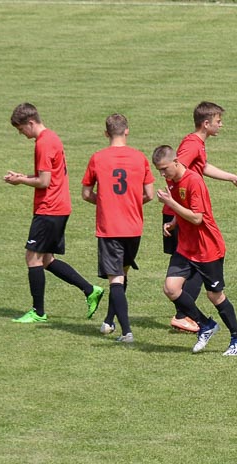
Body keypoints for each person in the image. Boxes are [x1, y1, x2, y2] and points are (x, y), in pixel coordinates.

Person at [5, 103, 103, 323]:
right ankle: (90, 290)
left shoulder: (44, 143)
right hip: (58, 206)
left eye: (21, 129)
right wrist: (23, 175)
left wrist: (20, 181)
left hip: (49, 208)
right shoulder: (51, 138)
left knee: (32, 257)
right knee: (46, 259)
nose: (22, 134)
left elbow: (44, 181)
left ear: (30, 123)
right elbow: (48, 173)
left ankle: (38, 312)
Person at [163, 102, 237, 333]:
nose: (220, 125)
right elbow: (174, 172)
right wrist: (174, 212)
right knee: (196, 264)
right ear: (206, 123)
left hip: (184, 212)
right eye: (218, 121)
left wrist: (232, 177)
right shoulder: (192, 144)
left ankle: (186, 316)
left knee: (195, 266)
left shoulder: (198, 145)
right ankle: (185, 316)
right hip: (183, 215)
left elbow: (201, 168)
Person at [152, 145, 237, 356]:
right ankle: (205, 325)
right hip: (186, 247)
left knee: (215, 296)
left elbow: (197, 217)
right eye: (159, 170)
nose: (162, 174)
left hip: (208, 248)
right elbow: (181, 205)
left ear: (176, 161)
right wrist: (173, 223)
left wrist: (170, 204)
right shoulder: (171, 181)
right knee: (171, 288)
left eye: (165, 168)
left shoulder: (194, 181)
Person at [81, 114, 155, 343]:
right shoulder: (139, 158)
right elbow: (150, 194)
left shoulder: (98, 158)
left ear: (106, 133)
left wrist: (104, 201)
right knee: (122, 275)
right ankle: (109, 321)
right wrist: (130, 202)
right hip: (133, 227)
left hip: (109, 227)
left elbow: (85, 194)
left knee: (115, 279)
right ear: (127, 131)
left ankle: (127, 332)